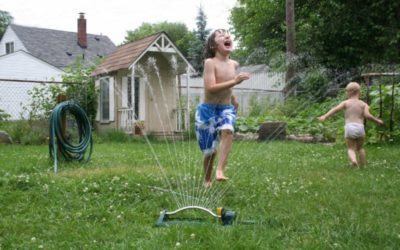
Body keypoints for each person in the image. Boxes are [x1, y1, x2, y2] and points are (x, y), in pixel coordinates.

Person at [195, 29, 250, 187]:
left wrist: (233, 99)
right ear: (213, 45)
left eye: (228, 35)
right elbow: (211, 87)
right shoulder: (210, 63)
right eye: (221, 35)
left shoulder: (234, 64)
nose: (227, 36)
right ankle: (207, 179)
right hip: (207, 110)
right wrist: (235, 82)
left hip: (226, 108)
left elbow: (226, 84)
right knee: (209, 151)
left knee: (228, 130)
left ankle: (220, 170)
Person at [319, 81, 383, 168]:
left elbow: (335, 110)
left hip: (349, 128)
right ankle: (363, 165)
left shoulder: (346, 103)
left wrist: (325, 116)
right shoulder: (364, 104)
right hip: (360, 128)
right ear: (359, 92)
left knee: (350, 148)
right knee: (360, 148)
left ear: (348, 92)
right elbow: (367, 116)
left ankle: (353, 160)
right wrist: (377, 121)